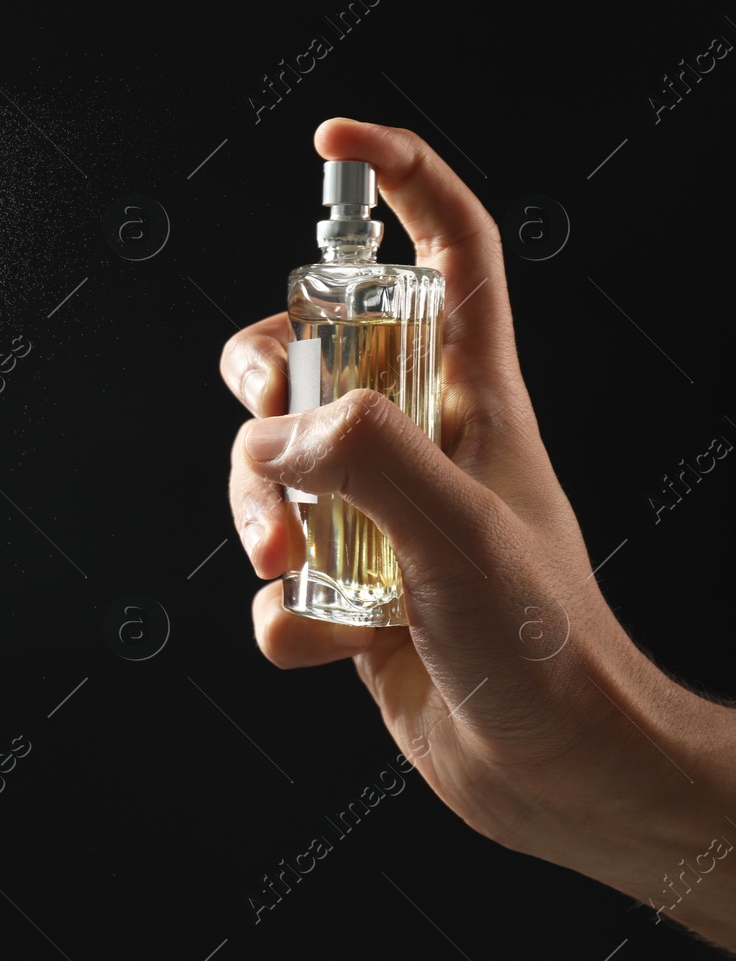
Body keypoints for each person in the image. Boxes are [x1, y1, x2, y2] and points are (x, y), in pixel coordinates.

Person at [219, 117, 736, 951]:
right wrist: (596, 771)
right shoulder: (325, 290)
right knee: (284, 385)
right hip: (471, 703)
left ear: (364, 225)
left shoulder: (407, 295)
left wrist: (595, 750)